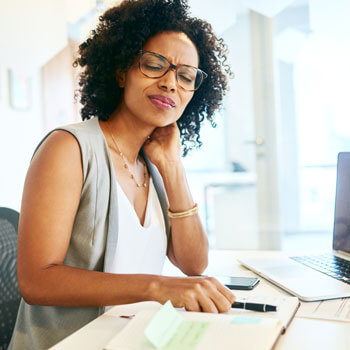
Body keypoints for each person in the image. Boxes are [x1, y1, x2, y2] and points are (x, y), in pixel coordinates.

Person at [9, 0, 234, 349]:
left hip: (136, 340)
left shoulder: (154, 165)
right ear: (120, 71)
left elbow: (194, 263)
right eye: (155, 65)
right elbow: (36, 282)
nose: (170, 83)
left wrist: (173, 167)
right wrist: (157, 287)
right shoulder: (68, 149)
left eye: (185, 76)